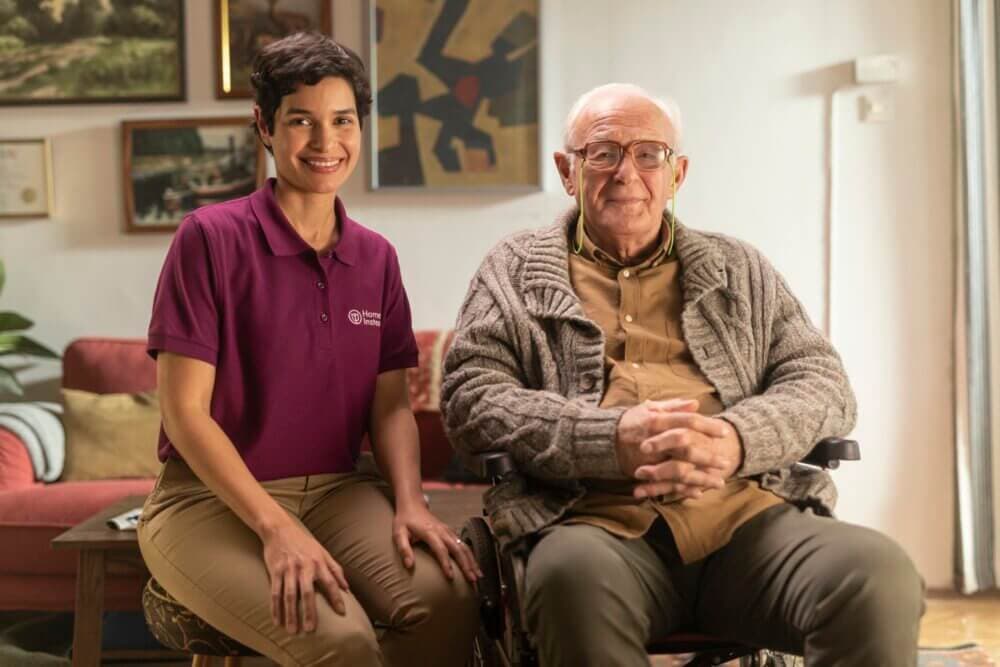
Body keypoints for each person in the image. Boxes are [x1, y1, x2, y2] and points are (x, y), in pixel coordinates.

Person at [441, 82, 924, 666]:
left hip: (744, 518)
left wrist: (736, 439)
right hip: (592, 525)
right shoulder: (511, 271)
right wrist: (607, 440)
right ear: (568, 171)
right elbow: (471, 399)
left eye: (650, 154)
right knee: (568, 580)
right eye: (603, 153)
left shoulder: (740, 268)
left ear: (677, 173)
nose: (627, 172)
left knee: (876, 574)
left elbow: (823, 383)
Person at [139, 32, 479, 667]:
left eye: (342, 121)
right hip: (208, 500)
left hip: (338, 491)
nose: (326, 142)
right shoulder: (208, 239)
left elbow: (390, 406)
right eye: (302, 121)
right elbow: (185, 414)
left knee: (451, 599)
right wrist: (276, 528)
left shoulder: (376, 257)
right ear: (265, 126)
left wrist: (411, 502)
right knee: (339, 639)